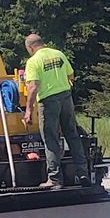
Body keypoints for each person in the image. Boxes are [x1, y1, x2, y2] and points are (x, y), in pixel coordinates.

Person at [21, 32, 87, 188]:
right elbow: (71, 75)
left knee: (51, 139)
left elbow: (33, 87)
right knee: (72, 135)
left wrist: (28, 110)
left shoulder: (33, 61)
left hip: (49, 102)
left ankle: (55, 179)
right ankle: (82, 172)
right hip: (66, 98)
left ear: (30, 48)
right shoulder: (59, 54)